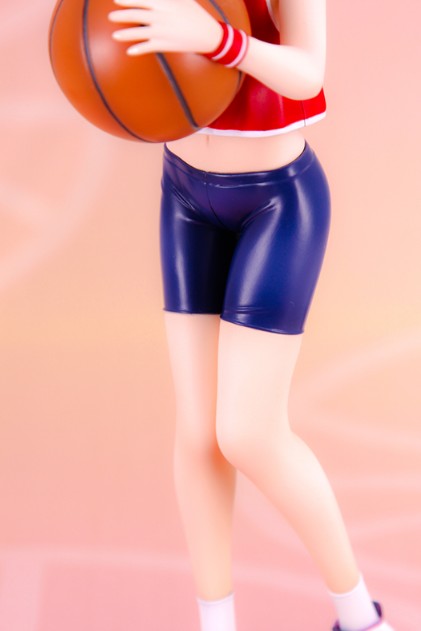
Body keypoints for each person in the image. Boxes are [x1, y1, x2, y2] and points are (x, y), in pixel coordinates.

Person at [108, 1, 395, 630]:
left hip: (277, 199)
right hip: (183, 189)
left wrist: (217, 39)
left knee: (247, 432)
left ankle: (361, 617)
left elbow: (307, 72)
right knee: (197, 434)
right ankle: (217, 623)